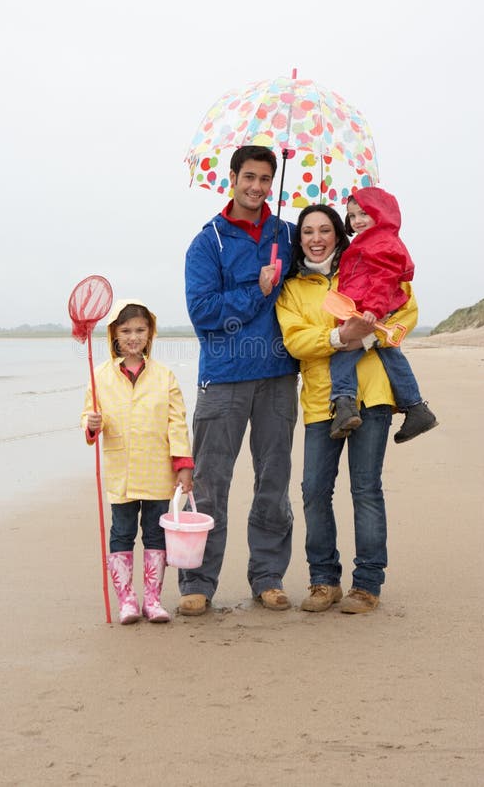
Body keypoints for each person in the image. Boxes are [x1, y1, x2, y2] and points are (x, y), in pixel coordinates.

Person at [276, 204, 418, 614]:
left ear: (339, 234)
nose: (316, 238)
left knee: (366, 489)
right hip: (322, 402)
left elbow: (406, 309)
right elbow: (296, 342)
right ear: (299, 238)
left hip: (371, 395)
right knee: (314, 492)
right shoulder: (292, 289)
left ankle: (367, 585)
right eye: (307, 232)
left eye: (325, 229)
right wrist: (338, 337)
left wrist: (367, 338)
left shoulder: (364, 262)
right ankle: (324, 581)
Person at [178, 145, 299, 617]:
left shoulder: (286, 234)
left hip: (278, 376)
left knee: (274, 480)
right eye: (249, 176)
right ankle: (198, 582)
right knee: (210, 486)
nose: (257, 187)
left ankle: (268, 577)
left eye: (265, 179)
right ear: (232, 177)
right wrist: (257, 289)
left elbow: (321, 270)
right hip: (224, 377)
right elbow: (203, 313)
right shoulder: (208, 241)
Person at [81, 299, 193, 625]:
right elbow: (89, 419)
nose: (133, 336)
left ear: (150, 333)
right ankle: (127, 600)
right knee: (122, 532)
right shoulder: (100, 376)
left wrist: (183, 464)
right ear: (114, 334)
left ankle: (153, 600)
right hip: (122, 471)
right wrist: (92, 425)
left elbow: (177, 423)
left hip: (158, 470)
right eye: (126, 330)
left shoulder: (164, 376)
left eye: (140, 330)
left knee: (156, 535)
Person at [328, 187, 438, 443]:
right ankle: (415, 406)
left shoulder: (382, 242)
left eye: (364, 213)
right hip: (368, 311)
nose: (357, 220)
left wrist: (373, 310)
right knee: (389, 352)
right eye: (352, 215)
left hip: (374, 311)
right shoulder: (369, 241)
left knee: (344, 354)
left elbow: (384, 278)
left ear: (381, 213)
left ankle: (344, 404)